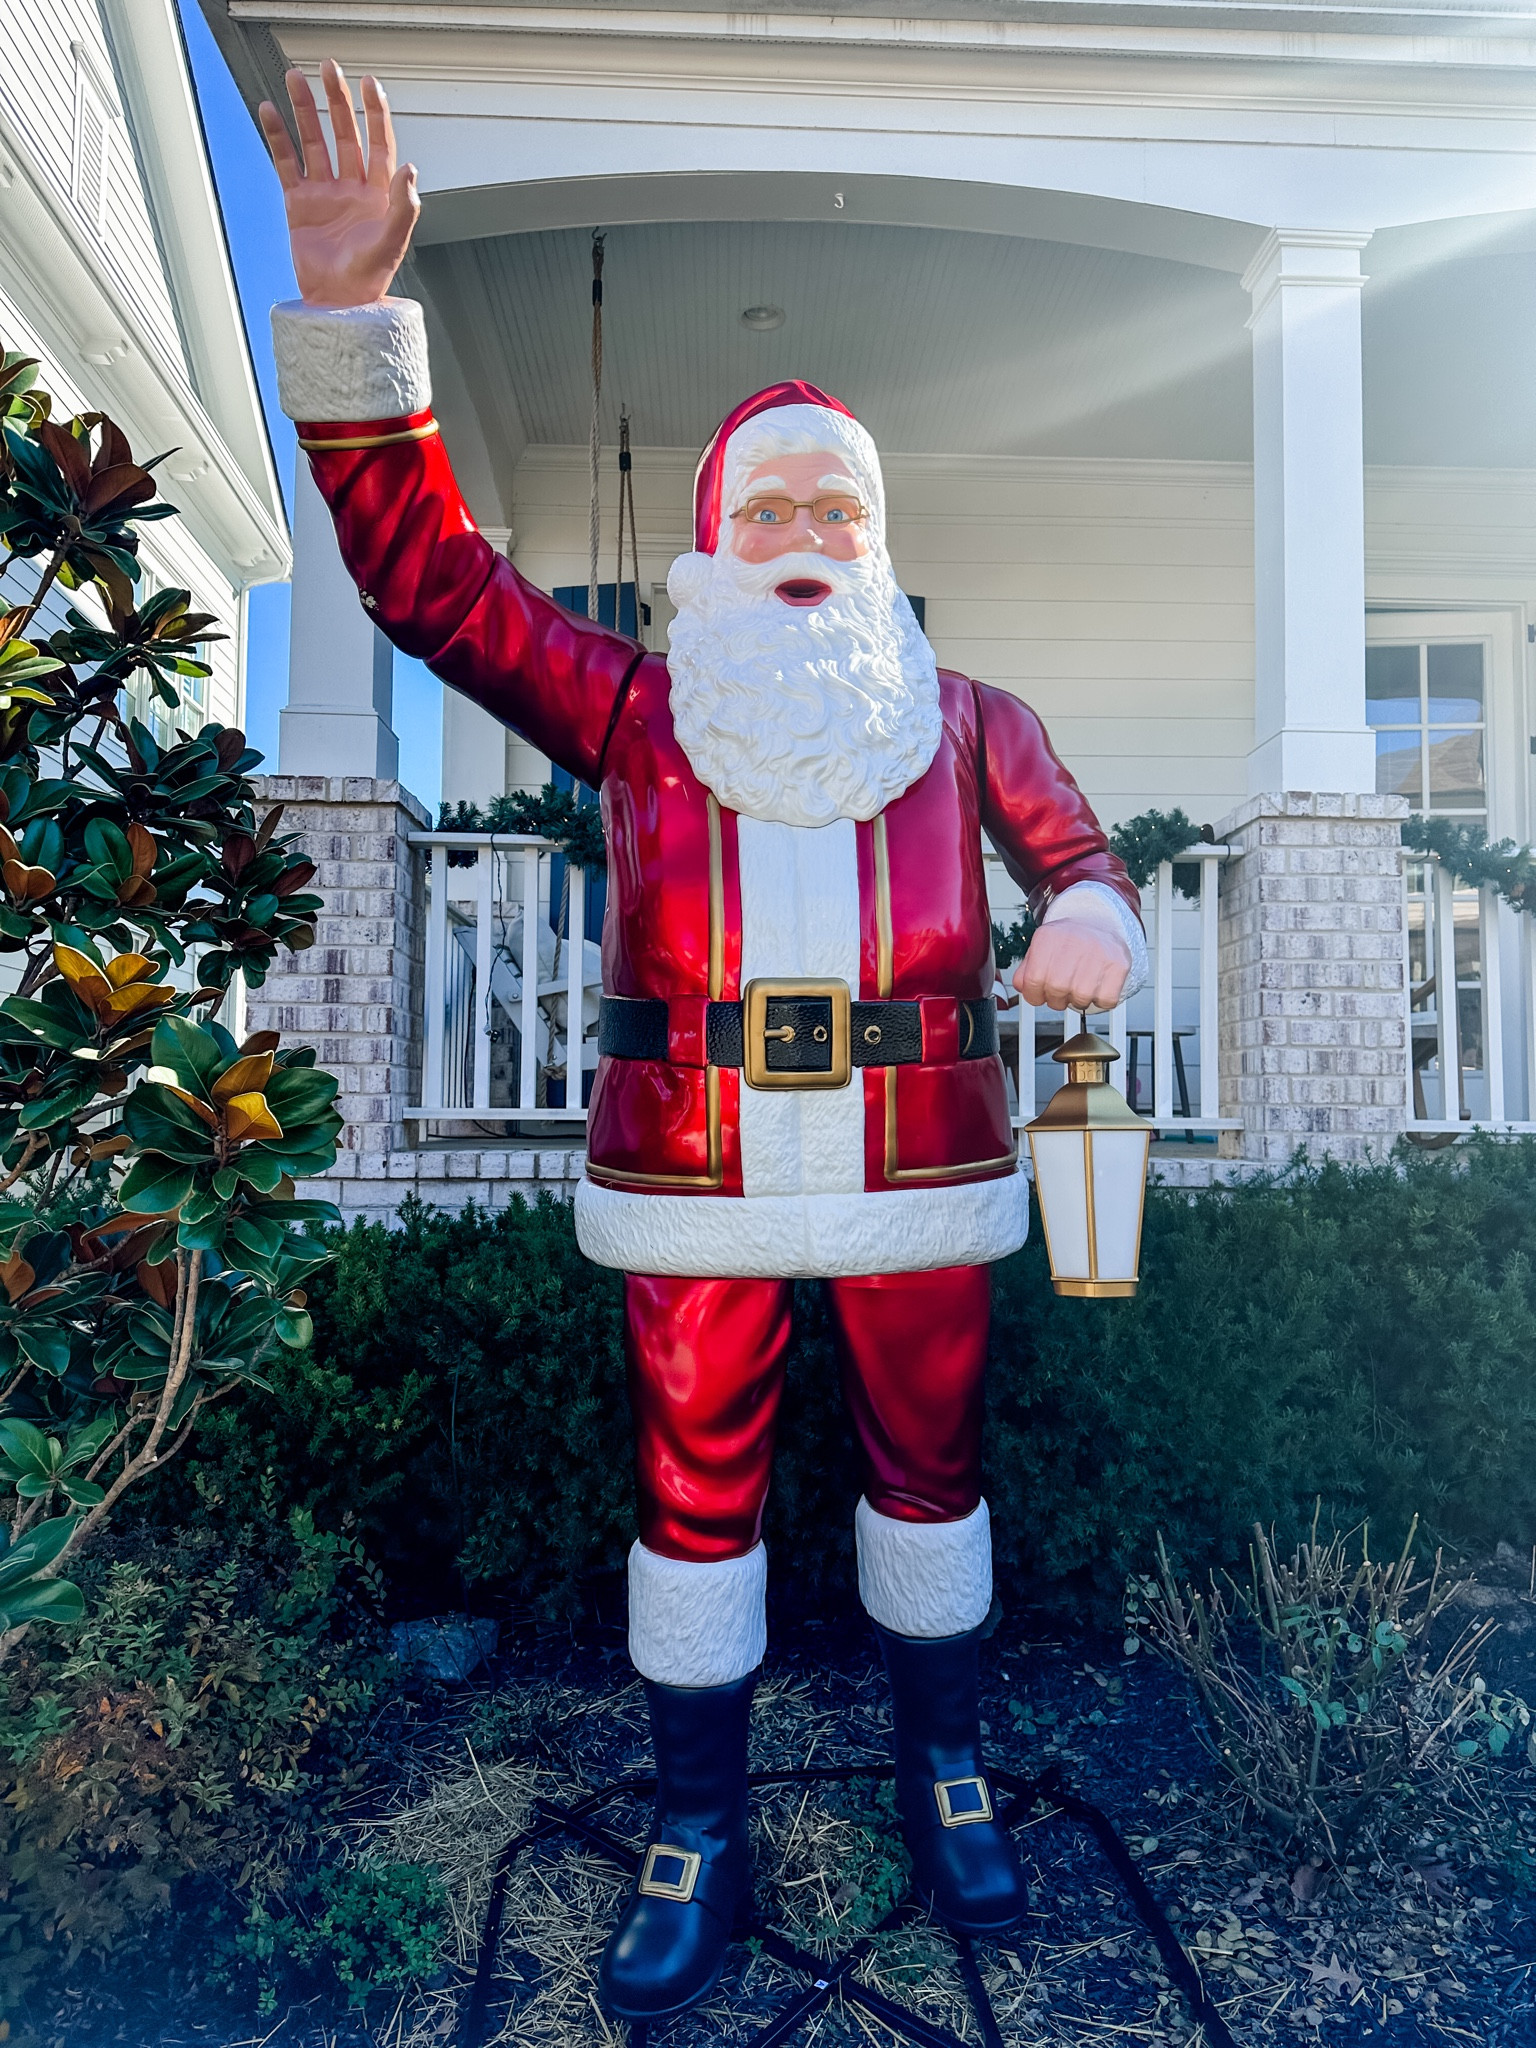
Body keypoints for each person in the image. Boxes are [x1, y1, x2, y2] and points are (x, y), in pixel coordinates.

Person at [259, 61, 1146, 2021]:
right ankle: (696, 1825)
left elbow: (1083, 857)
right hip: (700, 1171)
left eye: (839, 505)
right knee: (694, 1497)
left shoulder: (970, 717)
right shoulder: (636, 711)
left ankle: (946, 1771)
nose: (807, 529)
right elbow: (429, 583)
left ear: (879, 535)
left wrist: (1090, 910)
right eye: (773, 505)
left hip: (922, 1165)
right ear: (714, 539)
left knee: (936, 1472)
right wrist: (354, 324)